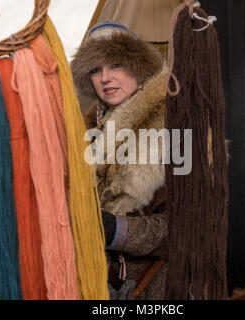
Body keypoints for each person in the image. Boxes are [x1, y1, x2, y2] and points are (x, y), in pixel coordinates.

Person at [71, 21, 168, 299]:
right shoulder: (82, 132)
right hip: (95, 285)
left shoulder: (173, 125)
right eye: (95, 69)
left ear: (138, 66)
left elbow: (184, 229)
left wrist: (115, 229)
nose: (104, 78)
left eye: (115, 65)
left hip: (156, 289)